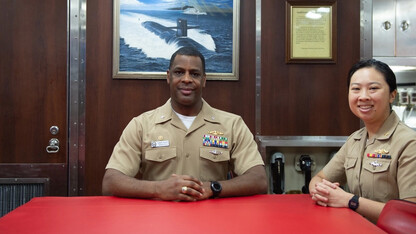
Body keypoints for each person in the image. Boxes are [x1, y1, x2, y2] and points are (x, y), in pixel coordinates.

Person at [102, 46, 267, 201]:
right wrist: (159, 189)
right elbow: (111, 182)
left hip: (213, 222)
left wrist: (214, 188)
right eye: (179, 72)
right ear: (169, 76)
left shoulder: (232, 125)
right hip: (157, 223)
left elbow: (258, 179)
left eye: (194, 74)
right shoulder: (142, 125)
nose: (187, 79)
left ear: (204, 80)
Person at [309, 59, 416, 223]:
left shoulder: (409, 143)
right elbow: (318, 179)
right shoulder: (355, 140)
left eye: (373, 88)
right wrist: (322, 192)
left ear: (392, 95)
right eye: (356, 89)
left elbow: (410, 213)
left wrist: (349, 201)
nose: (363, 96)